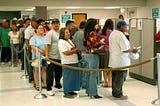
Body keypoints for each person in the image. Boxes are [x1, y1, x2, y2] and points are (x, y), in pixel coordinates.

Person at [109, 20, 137, 100]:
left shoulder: (113, 33)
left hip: (115, 61)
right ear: (121, 27)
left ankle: (115, 92)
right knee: (120, 78)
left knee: (115, 77)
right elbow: (124, 49)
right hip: (120, 61)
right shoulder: (120, 35)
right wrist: (133, 50)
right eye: (125, 26)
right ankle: (118, 94)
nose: (126, 28)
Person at [83, 18, 104, 99]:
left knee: (88, 74)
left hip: (87, 54)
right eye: (96, 24)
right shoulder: (93, 33)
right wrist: (100, 42)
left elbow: (85, 43)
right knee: (93, 74)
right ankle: (93, 93)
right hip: (93, 54)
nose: (97, 25)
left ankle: (89, 91)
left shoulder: (86, 32)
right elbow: (95, 44)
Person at [58, 28, 80, 98]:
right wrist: (75, 50)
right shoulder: (61, 42)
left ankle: (71, 90)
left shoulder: (69, 40)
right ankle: (67, 92)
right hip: (67, 62)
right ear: (62, 34)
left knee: (72, 78)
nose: (68, 34)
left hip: (74, 61)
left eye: (68, 32)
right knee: (68, 78)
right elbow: (65, 52)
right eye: (66, 33)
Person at [44, 18, 62, 96]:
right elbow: (46, 45)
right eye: (54, 23)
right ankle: (49, 88)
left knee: (59, 73)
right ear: (52, 24)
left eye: (57, 23)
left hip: (60, 57)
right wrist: (47, 55)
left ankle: (57, 84)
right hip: (52, 57)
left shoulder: (61, 32)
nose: (56, 24)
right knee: (50, 74)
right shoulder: (50, 33)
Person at [30, 24, 47, 90]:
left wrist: (45, 52)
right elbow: (32, 46)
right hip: (36, 56)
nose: (41, 29)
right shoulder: (33, 38)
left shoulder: (45, 37)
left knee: (44, 69)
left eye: (42, 28)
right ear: (36, 30)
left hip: (44, 56)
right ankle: (37, 85)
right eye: (40, 28)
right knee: (36, 70)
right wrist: (40, 51)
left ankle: (45, 84)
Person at [73, 21, 88, 88]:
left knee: (79, 70)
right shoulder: (84, 34)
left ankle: (79, 83)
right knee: (84, 70)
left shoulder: (75, 34)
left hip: (77, 53)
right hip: (84, 53)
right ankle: (84, 84)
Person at [99, 19, 113, 87]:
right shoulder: (111, 32)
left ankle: (105, 82)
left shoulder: (101, 31)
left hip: (103, 50)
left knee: (104, 67)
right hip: (110, 50)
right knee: (110, 67)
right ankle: (110, 82)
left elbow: (97, 38)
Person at [25, 17, 37, 83]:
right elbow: (27, 40)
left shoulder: (36, 28)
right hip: (30, 48)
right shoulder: (28, 29)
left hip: (36, 48)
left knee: (35, 63)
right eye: (35, 22)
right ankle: (31, 77)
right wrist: (29, 48)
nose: (36, 23)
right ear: (32, 22)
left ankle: (36, 77)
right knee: (30, 63)